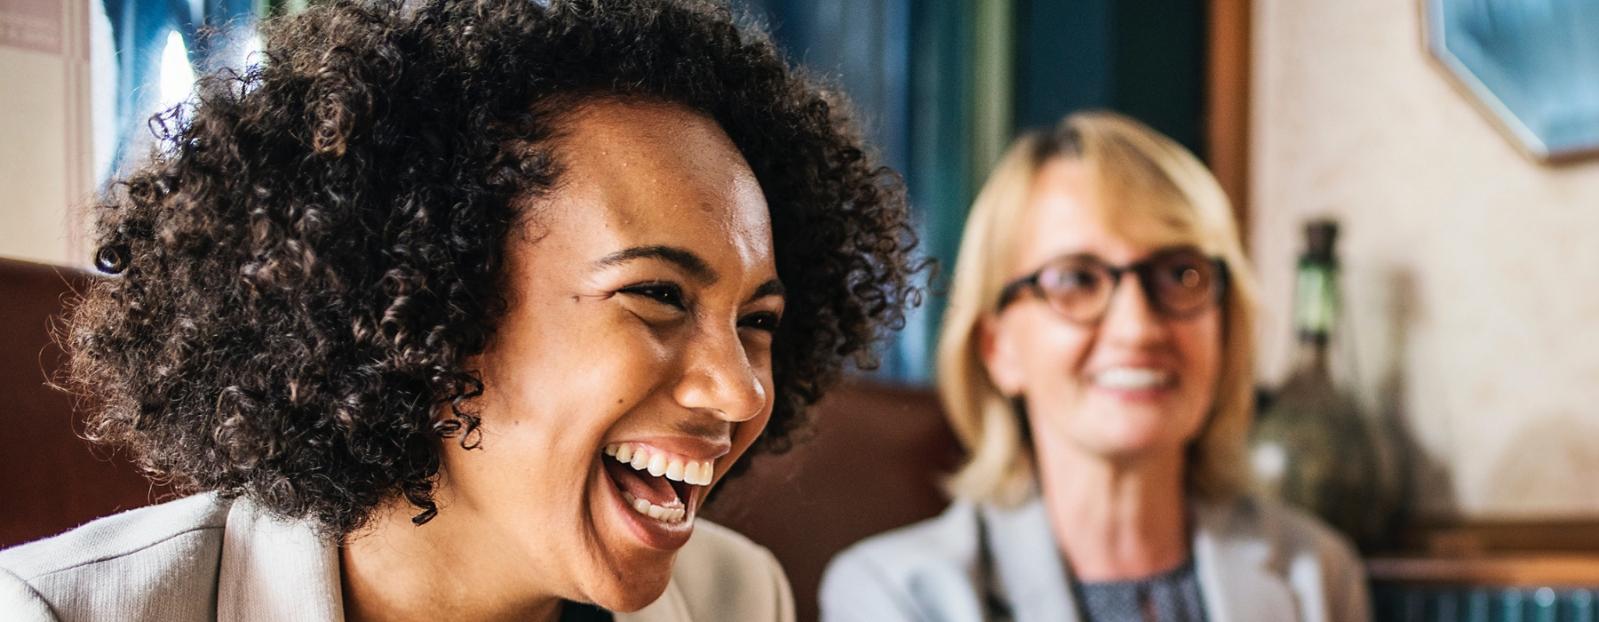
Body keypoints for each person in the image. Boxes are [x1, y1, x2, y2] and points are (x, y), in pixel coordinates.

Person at [0, 1, 921, 620]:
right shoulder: (63, 612)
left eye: (755, 319)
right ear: (424, 306)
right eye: (656, 296)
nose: (737, 391)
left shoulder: (735, 597)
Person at [820, 112, 1368, 621]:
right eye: (1077, 279)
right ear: (998, 348)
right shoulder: (895, 594)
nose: (1139, 328)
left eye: (1181, 274)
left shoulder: (1318, 578)